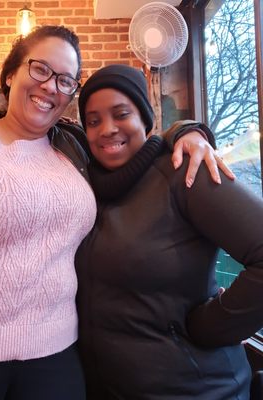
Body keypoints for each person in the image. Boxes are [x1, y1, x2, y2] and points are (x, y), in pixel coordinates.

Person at [0, 26, 229, 400]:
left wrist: (189, 130)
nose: (52, 86)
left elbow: (132, 141)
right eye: (40, 69)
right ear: (11, 74)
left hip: (59, 360)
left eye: (66, 80)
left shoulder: (75, 150)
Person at [75, 64, 263, 400]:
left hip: (196, 389)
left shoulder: (185, 172)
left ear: (145, 119)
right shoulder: (83, 188)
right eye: (93, 120)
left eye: (121, 114)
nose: (107, 129)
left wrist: (211, 327)